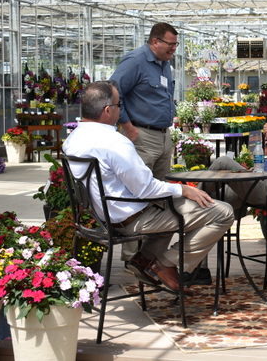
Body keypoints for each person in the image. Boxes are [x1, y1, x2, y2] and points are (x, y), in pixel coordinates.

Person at [63, 81, 234, 292]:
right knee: (223, 212)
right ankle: (165, 264)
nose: (121, 110)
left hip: (102, 217)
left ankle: (143, 260)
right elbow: (145, 189)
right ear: (107, 110)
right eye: (119, 105)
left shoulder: (72, 139)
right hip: (129, 219)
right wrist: (184, 189)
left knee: (171, 203)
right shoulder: (114, 142)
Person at [110, 22, 178, 264]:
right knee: (137, 194)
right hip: (142, 135)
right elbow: (112, 92)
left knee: (161, 196)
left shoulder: (165, 64)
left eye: (176, 45)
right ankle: (132, 257)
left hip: (162, 135)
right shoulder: (135, 61)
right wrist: (127, 126)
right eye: (170, 44)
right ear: (155, 41)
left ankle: (149, 257)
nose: (174, 49)